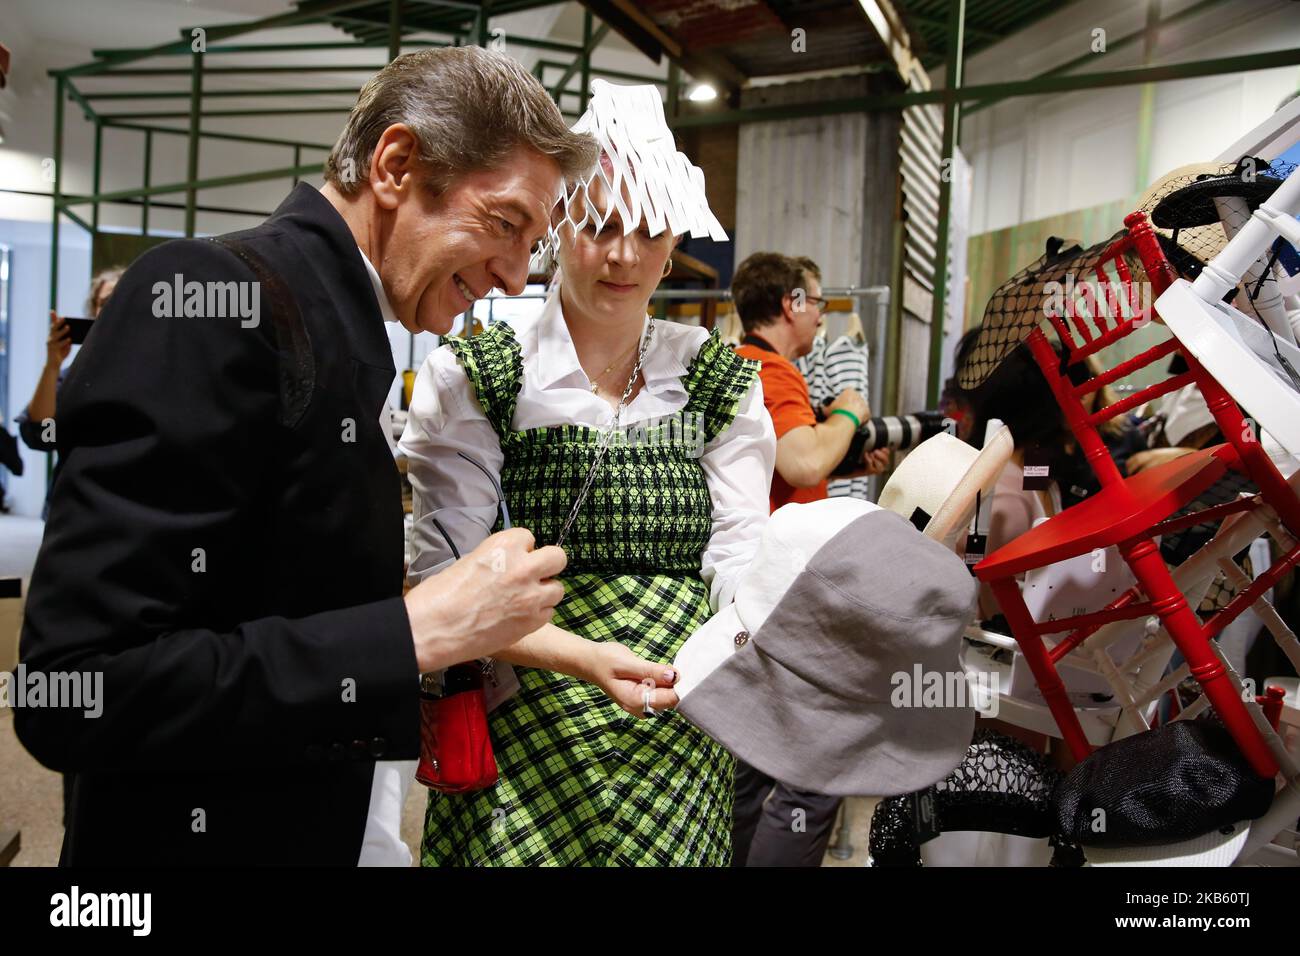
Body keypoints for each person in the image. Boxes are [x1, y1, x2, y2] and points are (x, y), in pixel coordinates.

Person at [15, 46, 595, 866]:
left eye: (531, 246)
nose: (510, 276)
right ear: (396, 165)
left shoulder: (337, 333)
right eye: (504, 224)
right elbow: (79, 690)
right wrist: (410, 634)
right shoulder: (214, 301)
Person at [400, 79, 773, 865]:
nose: (624, 255)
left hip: (674, 729)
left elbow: (739, 548)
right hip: (524, 725)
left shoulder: (715, 379)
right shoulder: (481, 375)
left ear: (676, 241)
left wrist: (751, 631)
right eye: (601, 224)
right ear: (557, 226)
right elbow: (446, 575)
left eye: (649, 229)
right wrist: (581, 658)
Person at [728, 251, 888, 867]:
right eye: (817, 302)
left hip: (755, 596)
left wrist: (842, 452)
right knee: (817, 766)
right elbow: (801, 463)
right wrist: (847, 411)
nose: (821, 316)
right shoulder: (770, 371)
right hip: (782, 597)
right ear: (792, 304)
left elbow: (778, 466)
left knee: (752, 766)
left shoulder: (743, 367)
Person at [15, 267, 123, 515]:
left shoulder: (156, 369)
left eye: (120, 302)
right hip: (76, 507)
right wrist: (53, 365)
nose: (113, 311)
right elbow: (41, 435)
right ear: (94, 311)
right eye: (105, 303)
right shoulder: (76, 375)